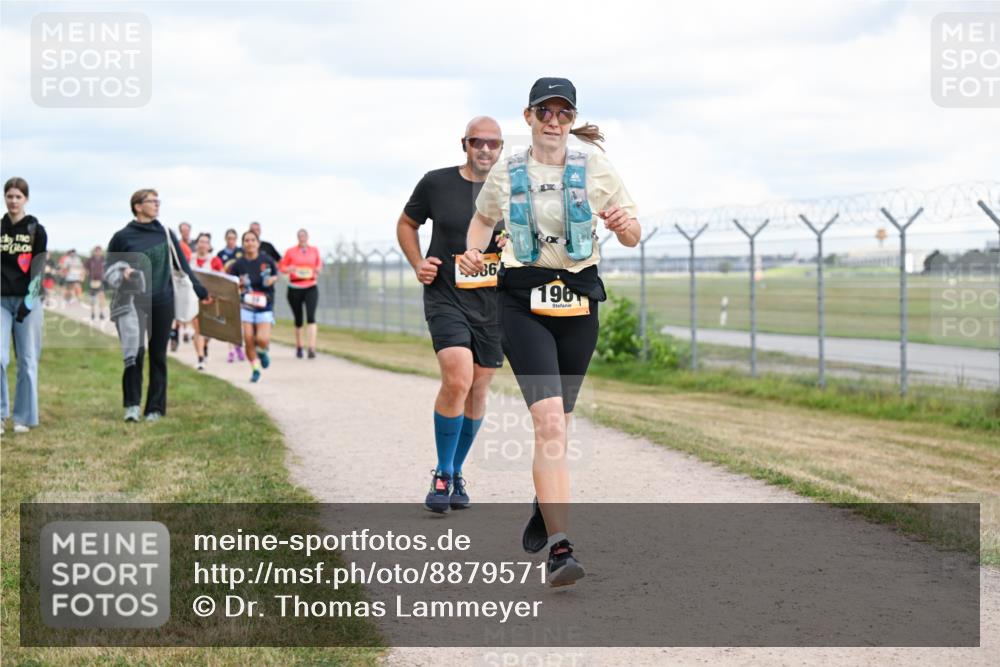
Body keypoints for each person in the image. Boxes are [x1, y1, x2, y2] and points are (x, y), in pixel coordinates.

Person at [460, 78, 640, 586]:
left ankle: (546, 502)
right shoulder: (509, 170)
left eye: (564, 112)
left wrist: (624, 224)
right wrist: (475, 250)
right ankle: (561, 549)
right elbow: (481, 220)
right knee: (551, 425)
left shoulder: (595, 167)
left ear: (572, 117)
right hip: (522, 302)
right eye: (545, 111)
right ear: (529, 116)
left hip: (580, 302)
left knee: (558, 422)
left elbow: (630, 234)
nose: (554, 120)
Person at [398, 116, 505, 514]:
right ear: (464, 144)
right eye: (478, 141)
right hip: (445, 295)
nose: (485, 149)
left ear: (501, 149)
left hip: (494, 304)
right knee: (457, 376)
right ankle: (442, 473)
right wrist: (417, 262)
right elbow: (407, 223)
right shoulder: (436, 183)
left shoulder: (513, 192)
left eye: (493, 144)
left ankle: (456, 472)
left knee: (478, 387)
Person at [106, 188, 208, 422]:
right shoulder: (123, 236)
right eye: (152, 201)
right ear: (138, 206)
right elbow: (109, 269)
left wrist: (201, 292)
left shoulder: (166, 233)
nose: (157, 204)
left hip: (163, 301)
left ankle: (155, 408)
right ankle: (131, 405)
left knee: (158, 355)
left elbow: (183, 267)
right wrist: (125, 272)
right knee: (135, 353)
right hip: (132, 304)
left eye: (157, 201)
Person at [1, 177, 47, 434]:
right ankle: (0, 414)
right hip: (0, 300)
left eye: (18, 196)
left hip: (28, 300)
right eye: (9, 196)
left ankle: (23, 417)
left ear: (26, 199)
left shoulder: (36, 230)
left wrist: (29, 302)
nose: (13, 201)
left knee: (27, 360)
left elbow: (38, 269)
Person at [228, 230, 278, 383]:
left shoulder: (267, 260)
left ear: (258, 243)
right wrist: (239, 286)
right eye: (247, 240)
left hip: (265, 304)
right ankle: (255, 369)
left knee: (262, 339)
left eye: (252, 240)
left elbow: (276, 274)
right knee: (248, 338)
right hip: (246, 306)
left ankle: (262, 352)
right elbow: (231, 283)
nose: (250, 243)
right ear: (243, 244)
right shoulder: (238, 264)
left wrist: (271, 280)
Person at [279, 228, 321, 358]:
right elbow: (282, 267)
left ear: (308, 237)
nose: (302, 238)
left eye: (304, 235)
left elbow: (319, 265)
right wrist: (289, 269)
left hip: (310, 286)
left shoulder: (314, 250)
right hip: (295, 288)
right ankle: (299, 346)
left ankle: (312, 348)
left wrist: (317, 270)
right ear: (297, 237)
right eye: (300, 236)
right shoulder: (290, 252)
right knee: (298, 319)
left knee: (311, 317)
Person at [189, 232, 223, 370]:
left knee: (208, 331)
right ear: (197, 244)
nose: (203, 244)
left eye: (205, 242)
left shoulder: (215, 260)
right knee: (199, 329)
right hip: (193, 299)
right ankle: (200, 358)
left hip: (210, 299)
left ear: (209, 245)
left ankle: (205, 345)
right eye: (200, 241)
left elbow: (222, 278)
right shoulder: (189, 259)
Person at [216, 228, 246, 363]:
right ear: (225, 239)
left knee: (240, 320)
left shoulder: (242, 253)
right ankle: (231, 350)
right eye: (229, 238)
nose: (231, 241)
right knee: (229, 319)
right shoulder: (221, 254)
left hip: (241, 289)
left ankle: (239, 344)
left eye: (233, 238)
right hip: (227, 289)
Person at [170, 222, 195, 350]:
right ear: (180, 232)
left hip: (192, 279)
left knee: (189, 305)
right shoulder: (178, 245)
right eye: (183, 230)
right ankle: (176, 334)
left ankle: (186, 330)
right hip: (180, 280)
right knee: (180, 306)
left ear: (190, 230)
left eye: (187, 230)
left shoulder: (194, 244)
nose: (185, 232)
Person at [86, 245, 107, 320]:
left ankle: (101, 313)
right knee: (93, 299)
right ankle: (92, 313)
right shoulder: (90, 260)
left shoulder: (104, 260)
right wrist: (86, 274)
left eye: (99, 251)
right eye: (97, 251)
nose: (98, 253)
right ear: (94, 252)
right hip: (92, 281)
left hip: (100, 281)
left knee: (101, 297)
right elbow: (85, 268)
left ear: (101, 252)